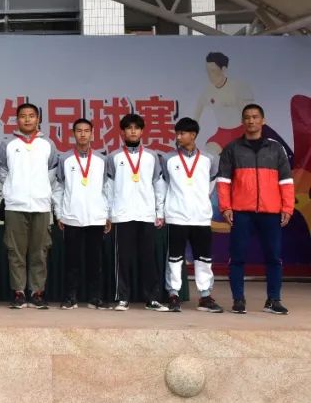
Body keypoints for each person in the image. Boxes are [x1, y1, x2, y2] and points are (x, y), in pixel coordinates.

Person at [217, 104, 294, 315]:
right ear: (242, 121)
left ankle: (273, 300)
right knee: (237, 258)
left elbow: (286, 181)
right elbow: (223, 182)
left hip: (271, 212)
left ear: (263, 120)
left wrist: (287, 207)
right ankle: (238, 300)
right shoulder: (232, 148)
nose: (251, 121)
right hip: (241, 212)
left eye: (255, 117)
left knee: (274, 258)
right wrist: (226, 207)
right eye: (247, 117)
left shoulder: (276, 149)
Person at [0, 103, 59, 309]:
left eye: (31, 116)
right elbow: (4, 173)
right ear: (17, 120)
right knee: (15, 251)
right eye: (23, 116)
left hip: (41, 206)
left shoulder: (48, 144)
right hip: (15, 205)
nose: (27, 119)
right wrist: (12, 192)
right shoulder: (8, 144)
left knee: (39, 251)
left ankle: (37, 292)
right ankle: (19, 292)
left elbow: (52, 175)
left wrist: (42, 193)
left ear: (38, 119)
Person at [104, 113, 167, 312]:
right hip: (122, 215)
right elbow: (108, 187)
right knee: (123, 259)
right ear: (122, 132)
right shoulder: (113, 157)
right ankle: (122, 298)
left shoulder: (151, 157)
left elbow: (159, 185)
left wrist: (159, 211)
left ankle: (153, 299)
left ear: (142, 131)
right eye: (129, 128)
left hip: (146, 214)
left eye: (136, 128)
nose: (133, 131)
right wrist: (109, 214)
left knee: (148, 258)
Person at [161, 117, 222, 313]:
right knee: (174, 258)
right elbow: (165, 185)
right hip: (176, 216)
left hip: (201, 217)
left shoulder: (209, 159)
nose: (178, 137)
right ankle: (173, 294)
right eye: (177, 133)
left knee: (203, 258)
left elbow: (210, 184)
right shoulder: (168, 159)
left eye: (182, 133)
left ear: (193, 135)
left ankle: (205, 296)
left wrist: (200, 201)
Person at [52, 118, 109, 310]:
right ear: (73, 134)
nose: (83, 134)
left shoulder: (101, 160)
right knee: (72, 260)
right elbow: (58, 188)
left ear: (92, 134)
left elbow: (107, 189)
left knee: (95, 260)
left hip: (96, 216)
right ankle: (70, 297)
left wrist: (106, 214)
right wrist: (59, 213)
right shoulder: (64, 159)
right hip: (72, 216)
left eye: (86, 131)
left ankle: (95, 297)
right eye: (79, 131)